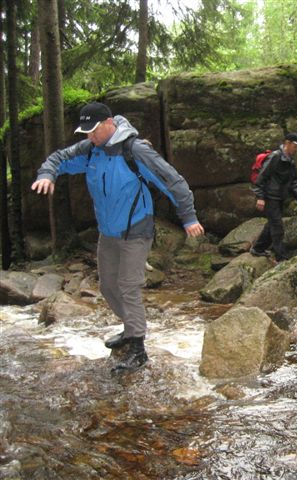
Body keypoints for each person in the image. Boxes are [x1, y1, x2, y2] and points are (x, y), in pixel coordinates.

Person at [31, 102, 204, 373]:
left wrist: (189, 217)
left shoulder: (134, 150)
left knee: (127, 285)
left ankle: (138, 348)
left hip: (137, 228)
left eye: (93, 131)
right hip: (108, 232)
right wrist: (47, 174)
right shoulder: (91, 150)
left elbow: (172, 181)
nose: (89, 137)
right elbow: (59, 158)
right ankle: (131, 328)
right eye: (86, 132)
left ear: (109, 123)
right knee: (108, 287)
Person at [250, 132, 297, 262]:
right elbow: (261, 178)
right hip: (270, 197)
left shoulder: (290, 160)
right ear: (287, 143)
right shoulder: (275, 157)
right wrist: (260, 197)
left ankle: (258, 249)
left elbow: (293, 182)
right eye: (296, 146)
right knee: (277, 227)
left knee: (272, 224)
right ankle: (281, 258)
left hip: (280, 197)